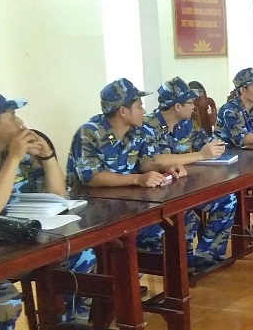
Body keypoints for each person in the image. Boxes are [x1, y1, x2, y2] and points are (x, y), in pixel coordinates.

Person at [0, 86, 97, 330]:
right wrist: (14, 158)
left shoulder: (14, 152)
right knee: (3, 299)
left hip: (17, 248)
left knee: (82, 256)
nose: (20, 121)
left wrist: (48, 158)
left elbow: (58, 197)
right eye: (11, 115)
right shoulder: (2, 156)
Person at [67, 78, 213, 272]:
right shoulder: (90, 133)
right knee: (156, 234)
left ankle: (179, 270)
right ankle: (133, 275)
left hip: (128, 204)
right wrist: (137, 179)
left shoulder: (137, 131)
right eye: (138, 106)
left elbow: (145, 161)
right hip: (95, 212)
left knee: (185, 219)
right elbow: (92, 177)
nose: (143, 111)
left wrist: (165, 169)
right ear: (123, 111)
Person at [143, 77, 237, 268]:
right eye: (190, 102)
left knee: (227, 199)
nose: (194, 106)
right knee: (186, 215)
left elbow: (208, 143)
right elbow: (154, 160)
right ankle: (183, 264)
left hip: (185, 183)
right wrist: (201, 155)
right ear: (177, 106)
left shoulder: (187, 124)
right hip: (158, 191)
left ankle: (207, 255)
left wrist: (215, 147)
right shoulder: (148, 126)